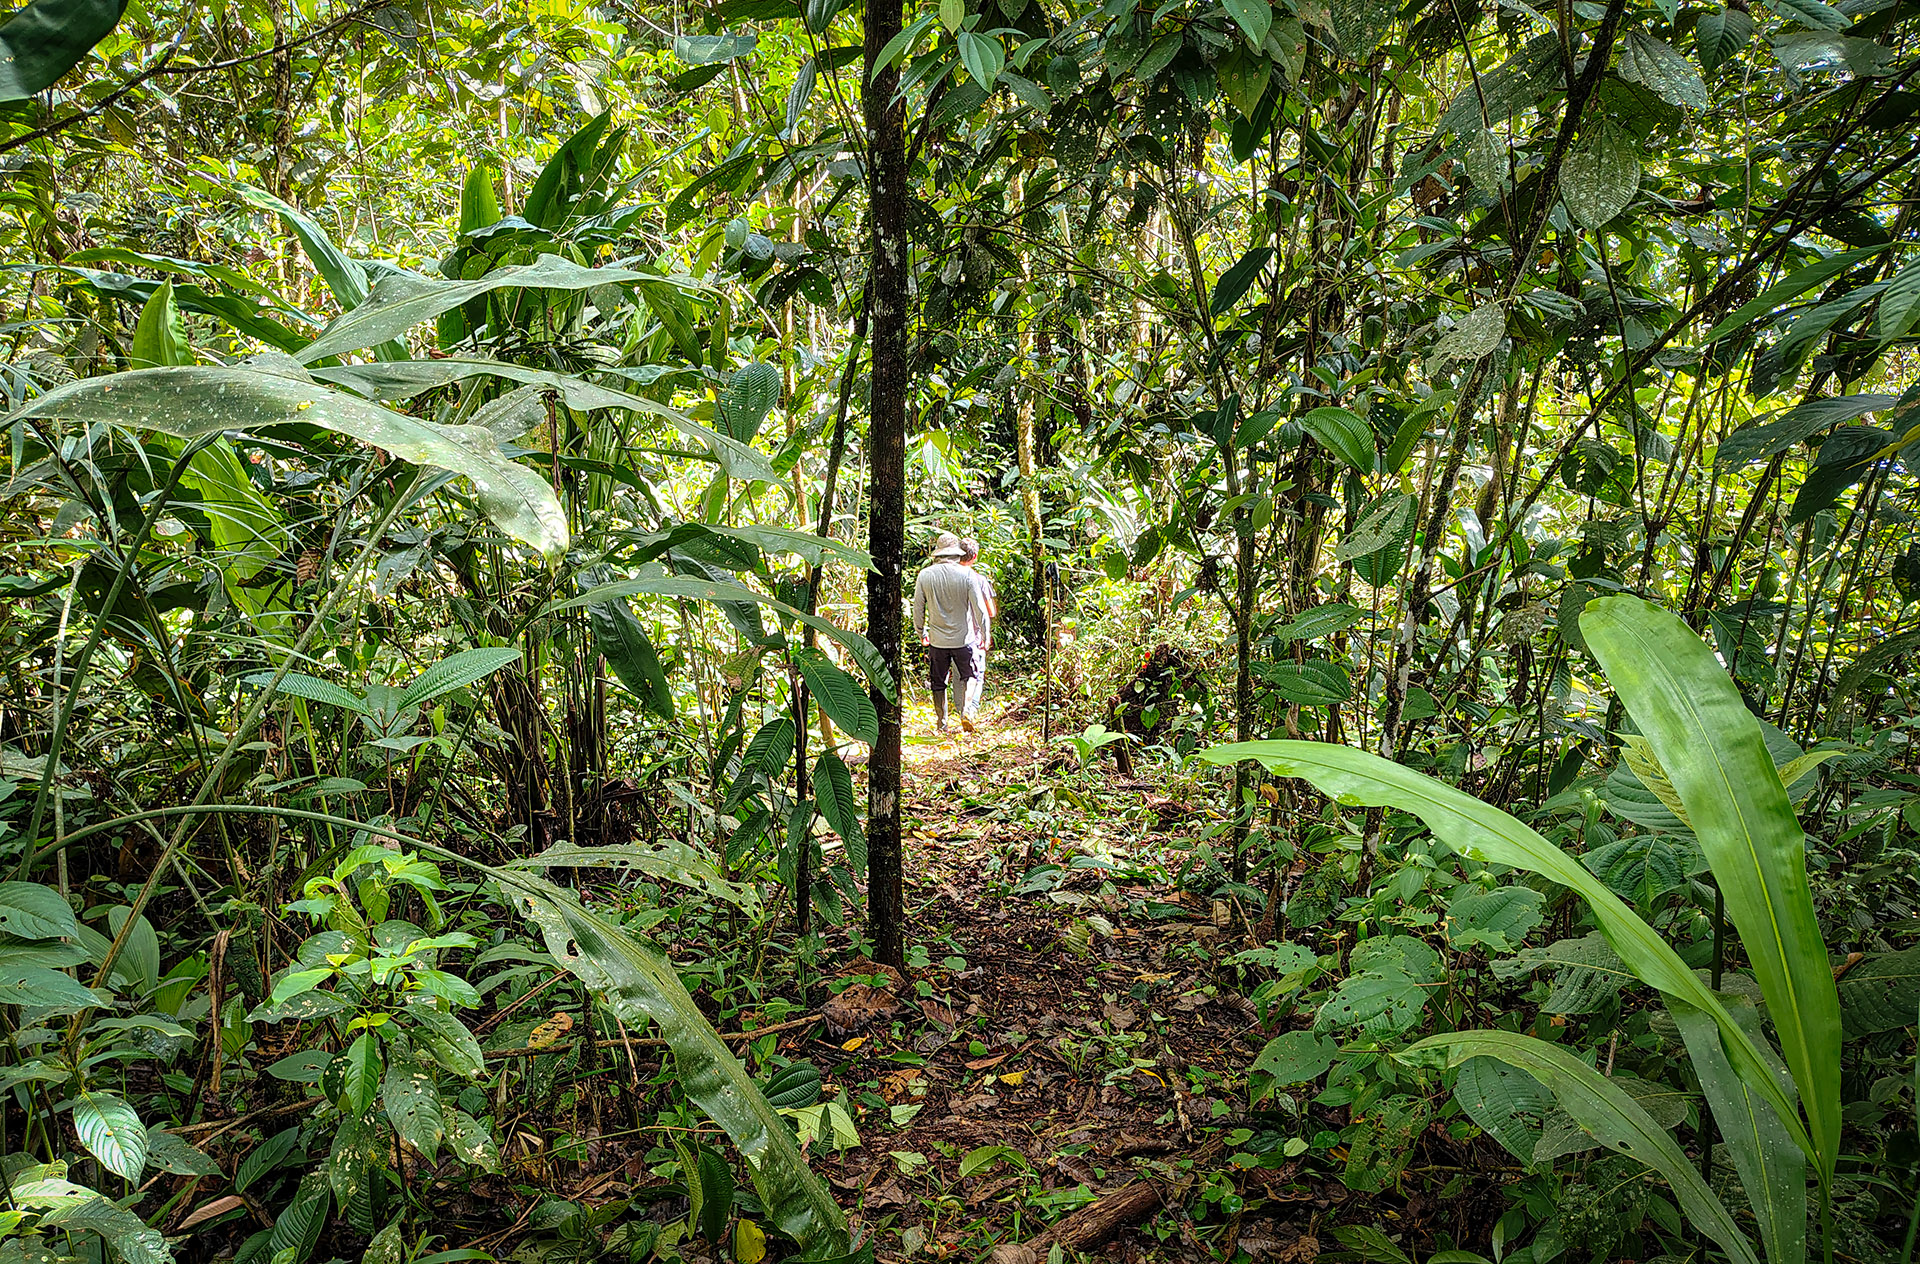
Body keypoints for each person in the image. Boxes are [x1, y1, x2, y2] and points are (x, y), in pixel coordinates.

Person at [910, 531, 988, 733]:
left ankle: (942, 723)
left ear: (938, 553)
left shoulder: (925, 575)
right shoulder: (968, 575)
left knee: (938, 682)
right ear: (956, 553)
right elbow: (980, 609)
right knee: (970, 676)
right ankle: (967, 711)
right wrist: (985, 636)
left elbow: (918, 609)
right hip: (965, 639)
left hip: (937, 641)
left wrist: (921, 633)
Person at [959, 538, 997, 719]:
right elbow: (991, 611)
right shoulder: (979, 580)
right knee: (977, 674)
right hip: (975, 635)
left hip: (954, 635)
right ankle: (971, 708)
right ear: (975, 557)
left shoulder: (949, 578)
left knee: (959, 675)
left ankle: (959, 709)